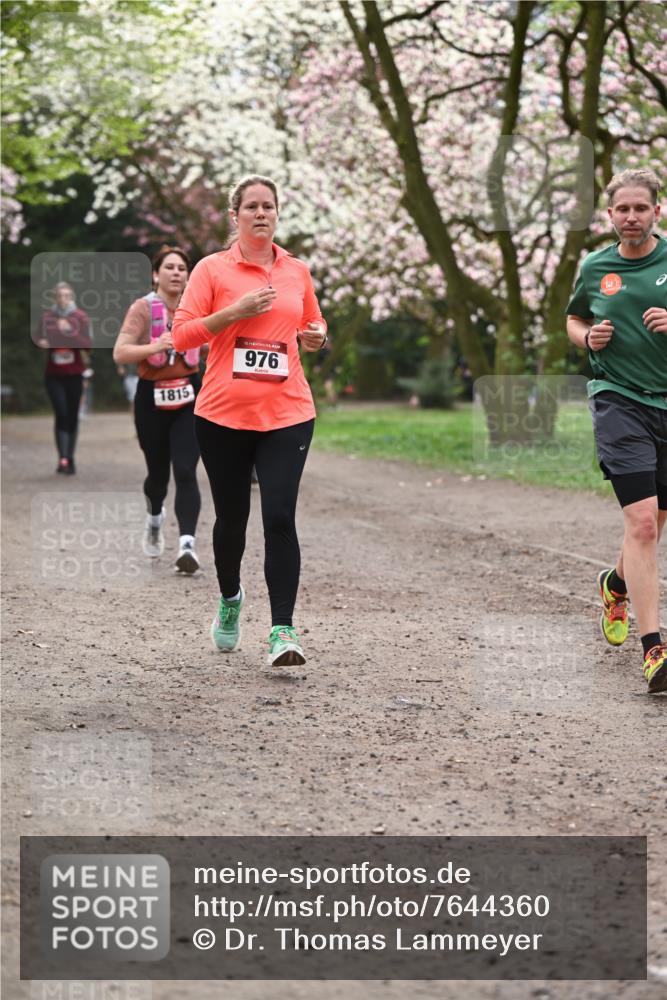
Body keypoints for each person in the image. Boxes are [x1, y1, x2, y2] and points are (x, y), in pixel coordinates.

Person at [171, 174, 327, 667]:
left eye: (269, 206)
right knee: (232, 519)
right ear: (235, 215)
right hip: (222, 415)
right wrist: (233, 312)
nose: (262, 213)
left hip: (288, 413)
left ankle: (283, 630)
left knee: (279, 515)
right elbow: (182, 337)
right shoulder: (212, 270)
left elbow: (311, 324)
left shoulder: (296, 271)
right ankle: (231, 599)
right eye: (252, 206)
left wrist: (317, 337)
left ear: (278, 214)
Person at [566, 167, 667, 693]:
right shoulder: (595, 266)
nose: (631, 217)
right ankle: (655, 650)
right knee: (644, 524)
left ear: (657, 211)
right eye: (622, 209)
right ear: (610, 215)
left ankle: (617, 583)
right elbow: (574, 319)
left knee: (656, 522)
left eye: (640, 208)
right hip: (617, 400)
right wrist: (589, 339)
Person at [113, 245, 202, 574]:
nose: (177, 272)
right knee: (158, 475)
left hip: (189, 397)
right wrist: (158, 345)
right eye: (170, 267)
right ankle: (154, 518)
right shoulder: (142, 308)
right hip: (151, 398)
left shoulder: (196, 308)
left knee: (186, 470)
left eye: (182, 268)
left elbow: (213, 342)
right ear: (155, 274)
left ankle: (187, 545)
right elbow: (120, 353)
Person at [37, 281, 92, 474]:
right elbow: (38, 338)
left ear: (72, 297)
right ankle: (62, 458)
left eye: (67, 296)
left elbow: (87, 345)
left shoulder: (80, 317)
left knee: (71, 416)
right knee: (61, 413)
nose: (63, 299)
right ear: (55, 298)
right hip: (53, 375)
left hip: (74, 374)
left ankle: (70, 458)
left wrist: (69, 331)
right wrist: (42, 342)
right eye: (60, 296)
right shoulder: (47, 317)